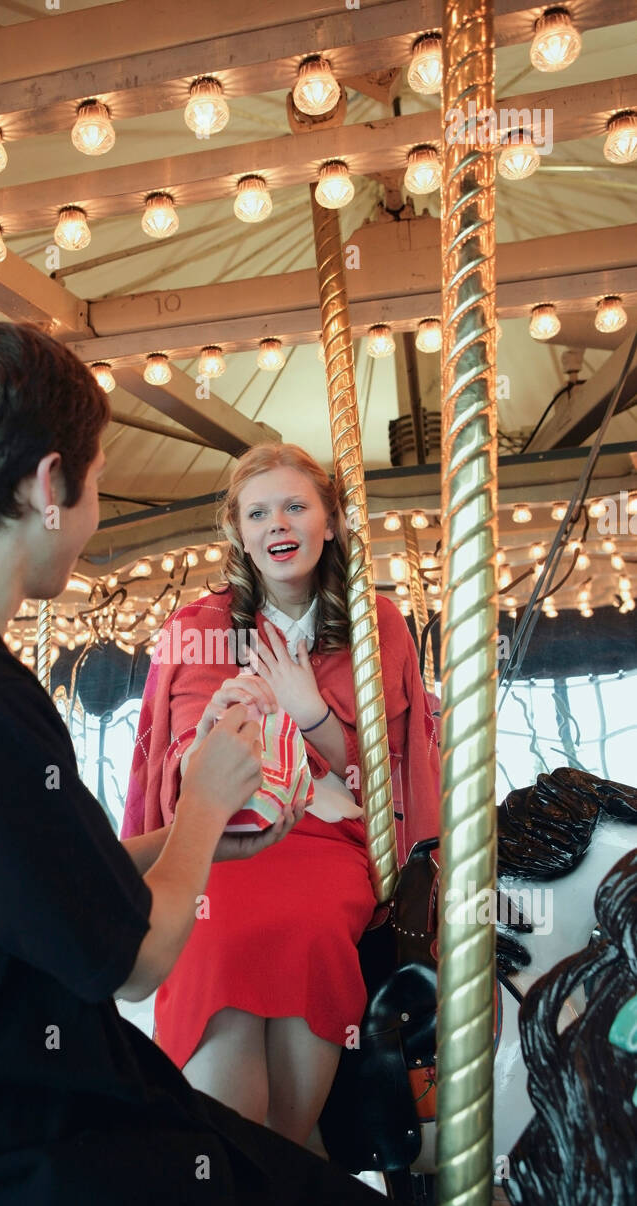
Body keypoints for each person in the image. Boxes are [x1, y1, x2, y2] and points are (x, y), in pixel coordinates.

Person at [0, 323, 432, 1206]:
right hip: (0, 1170)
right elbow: (135, 953)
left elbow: (44, 868)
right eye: (92, 481)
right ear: (51, 485)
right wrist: (210, 802)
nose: (89, 509)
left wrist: (190, 837)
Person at [122, 444, 440, 1152]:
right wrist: (213, 728)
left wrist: (309, 711)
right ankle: (247, 1152)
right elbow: (173, 761)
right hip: (223, 841)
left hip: (329, 843)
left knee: (309, 926)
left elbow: (387, 765)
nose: (278, 524)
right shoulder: (199, 630)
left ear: (328, 521)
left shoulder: (374, 623)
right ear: (237, 531)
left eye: (296, 505)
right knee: (215, 927)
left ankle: (283, 1153)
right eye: (258, 512)